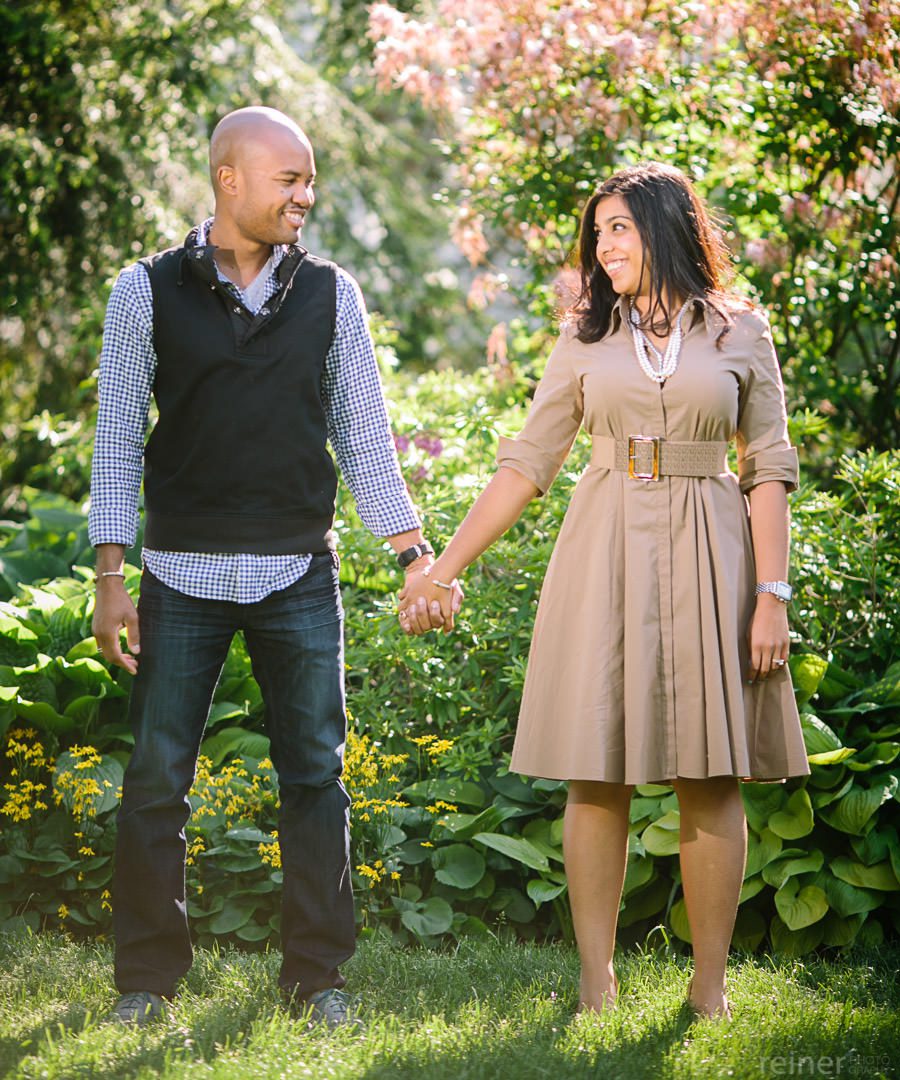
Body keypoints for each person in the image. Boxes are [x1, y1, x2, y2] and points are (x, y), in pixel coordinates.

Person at [399, 162, 809, 1019]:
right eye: (598, 231)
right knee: (595, 775)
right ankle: (596, 983)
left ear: (665, 230)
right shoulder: (584, 340)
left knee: (711, 776)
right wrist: (444, 567)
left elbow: (766, 466)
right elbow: (527, 462)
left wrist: (771, 595)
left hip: (713, 551)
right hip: (604, 552)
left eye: (617, 228)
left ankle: (709, 990)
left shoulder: (741, 333)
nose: (602, 245)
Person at [89, 106, 447, 1028]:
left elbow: (365, 435)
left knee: (315, 778)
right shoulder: (145, 290)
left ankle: (319, 978)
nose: (306, 196)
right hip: (178, 575)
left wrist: (413, 553)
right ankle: (146, 981)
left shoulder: (332, 292)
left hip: (297, 573)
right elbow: (118, 434)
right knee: (157, 782)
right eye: (290, 179)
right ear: (229, 179)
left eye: (310, 179)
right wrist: (110, 575)